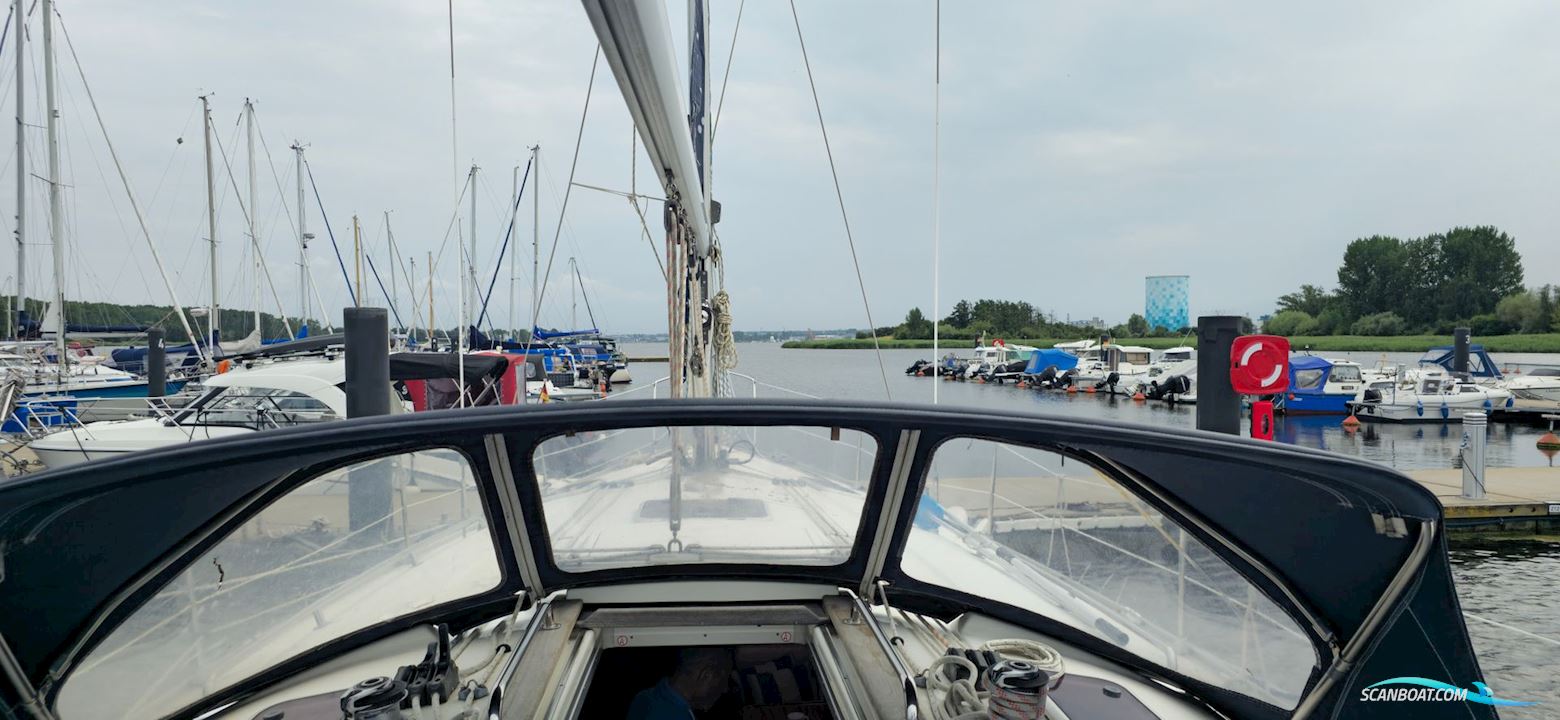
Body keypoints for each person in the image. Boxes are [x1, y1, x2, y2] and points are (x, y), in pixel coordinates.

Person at [627, 647, 733, 719]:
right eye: (723, 680)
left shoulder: (643, 697)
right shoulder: (677, 716)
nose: (725, 689)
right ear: (706, 675)